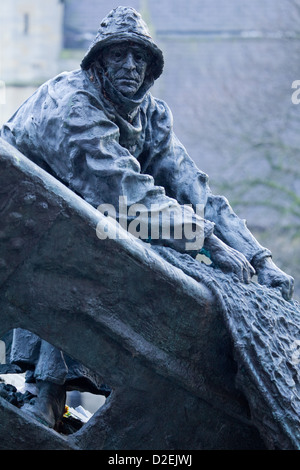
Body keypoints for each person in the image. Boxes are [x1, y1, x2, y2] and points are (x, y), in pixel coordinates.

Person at [0, 6, 294, 429]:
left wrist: (260, 259)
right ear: (98, 62)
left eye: (141, 58)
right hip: (16, 226)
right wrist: (208, 243)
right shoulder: (70, 105)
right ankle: (46, 391)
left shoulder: (151, 115)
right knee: (94, 237)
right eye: (119, 55)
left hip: (61, 227)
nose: (130, 67)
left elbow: (194, 189)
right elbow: (125, 194)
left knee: (105, 237)